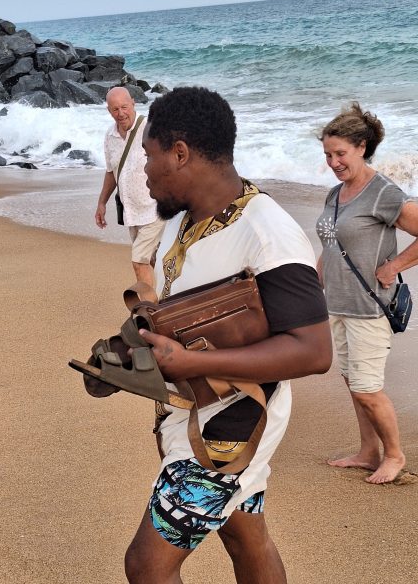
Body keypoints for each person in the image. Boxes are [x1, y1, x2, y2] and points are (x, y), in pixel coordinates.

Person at [123, 87, 332, 584]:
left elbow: (314, 350)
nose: (144, 173)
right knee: (245, 534)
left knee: (147, 565)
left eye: (149, 157)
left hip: (235, 426)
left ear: (180, 152)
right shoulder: (183, 223)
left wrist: (192, 364)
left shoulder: (268, 234)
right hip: (195, 408)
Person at [316, 102, 418, 484]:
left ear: (361, 147)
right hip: (338, 304)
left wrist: (393, 267)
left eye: (340, 153)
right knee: (352, 382)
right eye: (328, 154)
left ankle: (394, 455)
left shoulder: (383, 193)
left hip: (370, 307)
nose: (334, 162)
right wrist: (314, 284)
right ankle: (367, 451)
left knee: (367, 387)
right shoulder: (334, 194)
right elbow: (329, 247)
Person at [95, 86, 165, 287]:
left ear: (133, 103)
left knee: (139, 261)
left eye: (124, 107)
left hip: (155, 210)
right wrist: (101, 203)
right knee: (152, 260)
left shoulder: (151, 129)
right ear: (109, 110)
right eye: (115, 109)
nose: (120, 113)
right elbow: (111, 172)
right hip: (132, 213)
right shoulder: (110, 136)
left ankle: (150, 311)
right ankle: (167, 301)